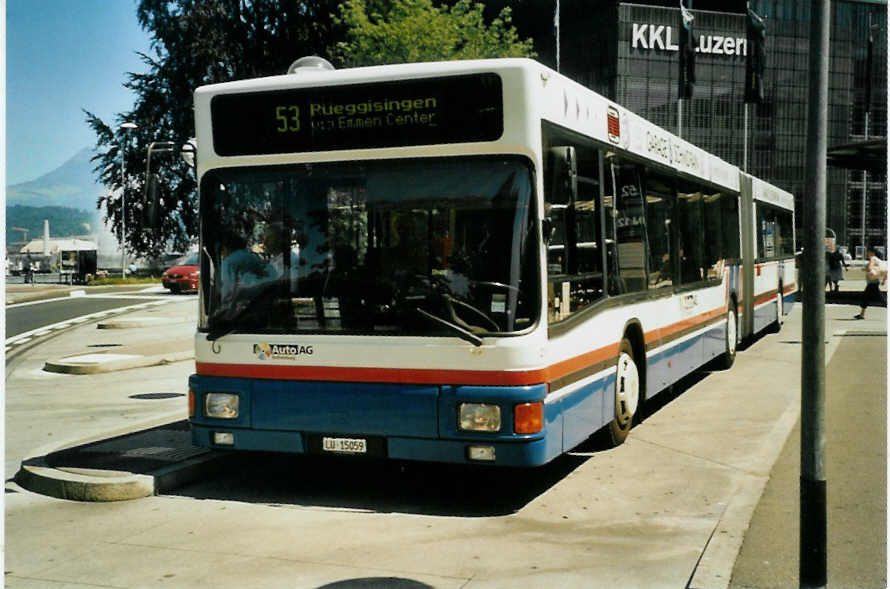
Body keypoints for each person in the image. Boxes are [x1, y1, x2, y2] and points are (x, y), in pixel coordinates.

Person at [854, 246, 887, 319]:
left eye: (868, 252)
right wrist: (884, 280)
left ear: (872, 252)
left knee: (879, 298)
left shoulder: (873, 259)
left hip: (872, 283)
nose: (867, 254)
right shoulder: (878, 260)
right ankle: (862, 314)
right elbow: (884, 271)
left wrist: (864, 269)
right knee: (867, 298)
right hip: (873, 282)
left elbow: (869, 268)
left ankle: (862, 314)